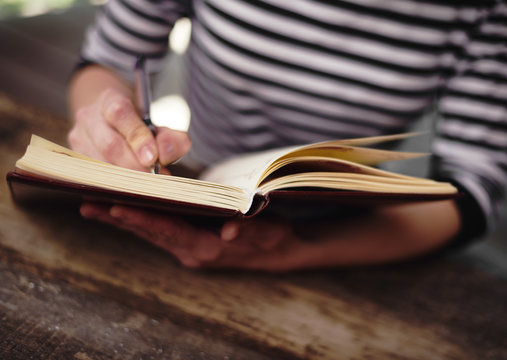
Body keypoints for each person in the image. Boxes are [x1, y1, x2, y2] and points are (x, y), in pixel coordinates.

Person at [68, 0, 506, 271]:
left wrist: (300, 251)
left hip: (350, 228)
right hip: (194, 181)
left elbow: (474, 187)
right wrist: (112, 123)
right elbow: (108, 61)